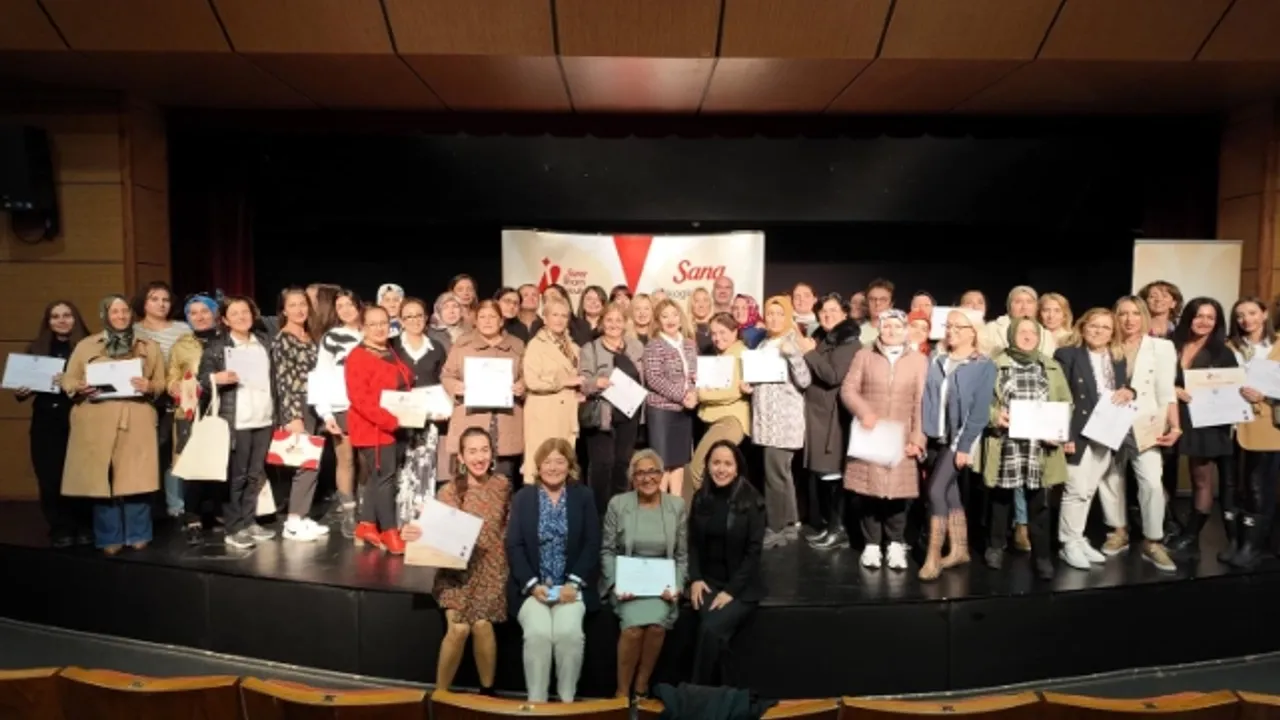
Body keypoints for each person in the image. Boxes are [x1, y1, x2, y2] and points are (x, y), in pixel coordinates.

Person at [60, 295, 166, 554]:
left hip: (136, 417)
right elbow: (68, 378)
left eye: (124, 311)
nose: (120, 316)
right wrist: (78, 386)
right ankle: (109, 536)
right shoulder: (87, 345)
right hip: (96, 419)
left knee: (137, 478)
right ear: (105, 315)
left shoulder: (148, 345)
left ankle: (139, 532)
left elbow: (161, 381)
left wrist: (150, 386)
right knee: (101, 479)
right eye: (114, 312)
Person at [413, 427, 510, 695]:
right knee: (459, 628)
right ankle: (441, 695)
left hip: (491, 569)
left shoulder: (503, 486)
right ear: (462, 457)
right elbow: (436, 536)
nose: (479, 457)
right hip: (456, 572)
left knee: (482, 625)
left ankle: (487, 694)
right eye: (473, 451)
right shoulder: (449, 491)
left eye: (485, 450)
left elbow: (509, 528)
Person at [506, 438, 600, 703]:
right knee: (538, 635)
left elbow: (592, 542)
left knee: (569, 635)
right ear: (538, 466)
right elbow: (514, 545)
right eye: (547, 462)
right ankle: (537, 703)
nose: (553, 467)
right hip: (532, 589)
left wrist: (574, 583)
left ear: (570, 466)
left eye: (560, 461)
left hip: (570, 588)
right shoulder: (523, 498)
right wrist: (532, 585)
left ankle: (566, 701)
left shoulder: (583, 496)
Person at [983, 317, 1071, 581]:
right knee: (1000, 500)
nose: (1027, 336)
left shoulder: (1050, 366)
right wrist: (994, 416)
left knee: (1038, 502)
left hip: (1039, 446)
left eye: (1033, 332)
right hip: (1005, 443)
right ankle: (995, 546)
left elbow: (1065, 402)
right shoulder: (995, 365)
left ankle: (1042, 556)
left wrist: (1057, 431)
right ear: (1012, 335)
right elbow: (980, 401)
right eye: (1021, 331)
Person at [841, 309, 927, 571]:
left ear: (906, 330)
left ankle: (896, 544)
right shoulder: (864, 355)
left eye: (897, 327)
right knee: (870, 492)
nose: (892, 331)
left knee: (898, 494)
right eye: (887, 326)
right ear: (879, 329)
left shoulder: (918, 361)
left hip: (901, 437)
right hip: (871, 434)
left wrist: (917, 438)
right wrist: (864, 412)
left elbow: (921, 403)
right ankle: (871, 544)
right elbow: (848, 389)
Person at [602, 449, 687, 699]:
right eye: (640, 473)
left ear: (661, 475)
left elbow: (681, 556)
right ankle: (621, 692)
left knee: (656, 627)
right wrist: (616, 584)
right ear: (632, 478)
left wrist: (677, 587)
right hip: (628, 584)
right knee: (633, 630)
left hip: (662, 587)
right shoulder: (618, 504)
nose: (647, 478)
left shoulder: (676, 506)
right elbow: (607, 550)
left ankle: (641, 686)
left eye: (652, 472)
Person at [1054, 308, 1132, 570]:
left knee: (1088, 489)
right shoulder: (1067, 355)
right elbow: (1059, 395)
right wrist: (1064, 433)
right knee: (1075, 488)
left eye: (1105, 327)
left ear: (1113, 333)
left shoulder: (1117, 358)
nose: (1098, 331)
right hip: (1078, 431)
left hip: (1106, 431)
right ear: (1083, 326)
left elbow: (1123, 389)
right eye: (1093, 325)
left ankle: (1078, 537)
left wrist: (1130, 392)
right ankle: (1068, 543)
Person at [918, 309, 993, 580]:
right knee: (950, 493)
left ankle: (933, 556)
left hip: (959, 439)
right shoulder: (936, 359)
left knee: (935, 490)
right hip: (936, 437)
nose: (951, 331)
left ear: (973, 332)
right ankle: (960, 549)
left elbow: (980, 412)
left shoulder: (983, 365)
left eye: (958, 327)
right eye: (948, 326)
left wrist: (964, 446)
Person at [199, 296, 277, 550]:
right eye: (234, 313)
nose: (241, 317)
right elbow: (201, 380)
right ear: (224, 319)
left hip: (263, 417)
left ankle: (249, 520)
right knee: (237, 476)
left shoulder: (264, 342)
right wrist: (216, 378)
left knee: (255, 475)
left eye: (245, 312)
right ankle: (234, 527)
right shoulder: (217, 347)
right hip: (236, 419)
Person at [688, 440, 764, 686]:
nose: (721, 469)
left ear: (737, 467)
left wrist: (731, 591)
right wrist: (695, 578)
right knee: (712, 633)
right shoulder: (701, 498)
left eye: (728, 464)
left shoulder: (752, 501)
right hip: (708, 583)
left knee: (710, 630)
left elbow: (753, 553)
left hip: (741, 588)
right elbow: (693, 543)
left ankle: (698, 693)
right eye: (716, 463)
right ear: (708, 466)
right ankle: (724, 695)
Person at [1167, 297, 1238, 559]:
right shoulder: (1171, 345)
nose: (1204, 322)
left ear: (1217, 322)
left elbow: (1230, 390)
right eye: (1199, 315)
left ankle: (1191, 535)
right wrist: (1173, 389)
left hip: (1207, 422)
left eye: (1210, 317)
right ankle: (1169, 526)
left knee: (1201, 479)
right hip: (1172, 417)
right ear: (1189, 317)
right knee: (1164, 475)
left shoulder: (1223, 352)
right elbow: (1157, 378)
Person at [16, 300, 90, 547]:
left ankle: (84, 525)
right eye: (55, 316)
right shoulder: (36, 348)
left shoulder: (89, 346)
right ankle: (60, 527)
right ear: (48, 322)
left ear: (75, 319)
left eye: (67, 315)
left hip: (80, 417)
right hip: (47, 420)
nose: (61, 320)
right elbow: (22, 388)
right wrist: (22, 391)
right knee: (50, 475)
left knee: (81, 473)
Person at [346, 306, 415, 554]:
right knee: (385, 478)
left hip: (394, 424)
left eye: (383, 323)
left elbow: (405, 378)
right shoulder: (358, 356)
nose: (379, 328)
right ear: (363, 327)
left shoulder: (389, 350)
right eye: (373, 324)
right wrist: (390, 421)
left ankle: (366, 524)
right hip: (373, 427)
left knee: (380, 478)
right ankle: (389, 531)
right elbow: (360, 399)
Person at [802, 294, 860, 550]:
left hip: (833, 419)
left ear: (845, 314)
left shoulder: (849, 342)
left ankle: (839, 530)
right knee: (824, 475)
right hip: (818, 415)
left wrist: (809, 353)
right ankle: (830, 526)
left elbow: (833, 375)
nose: (827, 315)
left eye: (833, 310)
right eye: (823, 311)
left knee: (833, 475)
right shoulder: (823, 338)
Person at [753, 296, 812, 548]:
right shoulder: (763, 343)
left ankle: (775, 528)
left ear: (787, 316)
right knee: (782, 475)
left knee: (775, 477)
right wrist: (749, 384)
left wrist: (793, 356)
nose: (775, 318)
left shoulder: (792, 342)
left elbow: (805, 380)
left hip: (783, 422)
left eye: (780, 313)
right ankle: (789, 524)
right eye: (770, 313)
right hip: (766, 420)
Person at [580, 303, 646, 512]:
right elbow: (582, 382)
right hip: (602, 416)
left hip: (629, 415)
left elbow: (644, 378)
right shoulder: (590, 349)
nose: (614, 324)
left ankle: (620, 512)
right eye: (609, 320)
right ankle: (599, 514)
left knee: (622, 465)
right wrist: (596, 382)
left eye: (618, 320)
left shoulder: (636, 347)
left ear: (625, 323)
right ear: (601, 323)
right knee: (602, 465)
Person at [168, 293, 221, 545]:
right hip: (190, 411)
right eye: (193, 313)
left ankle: (215, 512)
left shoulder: (226, 339)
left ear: (215, 314)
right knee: (192, 466)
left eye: (205, 311)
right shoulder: (181, 344)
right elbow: (171, 376)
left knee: (218, 464)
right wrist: (174, 386)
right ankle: (192, 517)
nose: (199, 317)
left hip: (219, 409)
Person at [522, 296, 582, 484]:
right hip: (544, 414)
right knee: (541, 463)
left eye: (564, 315)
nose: (559, 320)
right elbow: (532, 381)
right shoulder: (536, 345)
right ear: (545, 318)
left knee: (563, 465)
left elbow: (576, 378)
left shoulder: (573, 347)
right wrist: (563, 382)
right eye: (555, 315)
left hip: (567, 413)